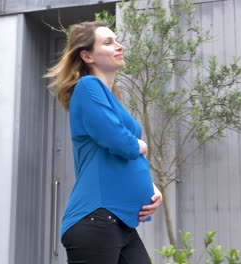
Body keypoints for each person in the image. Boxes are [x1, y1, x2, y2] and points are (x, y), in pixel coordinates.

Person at [44, 21, 162, 264]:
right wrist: (141, 145)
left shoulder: (109, 97)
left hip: (119, 224)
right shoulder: (87, 86)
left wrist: (151, 188)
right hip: (95, 219)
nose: (118, 46)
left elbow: (111, 156)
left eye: (117, 40)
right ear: (87, 55)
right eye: (108, 42)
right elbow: (119, 141)